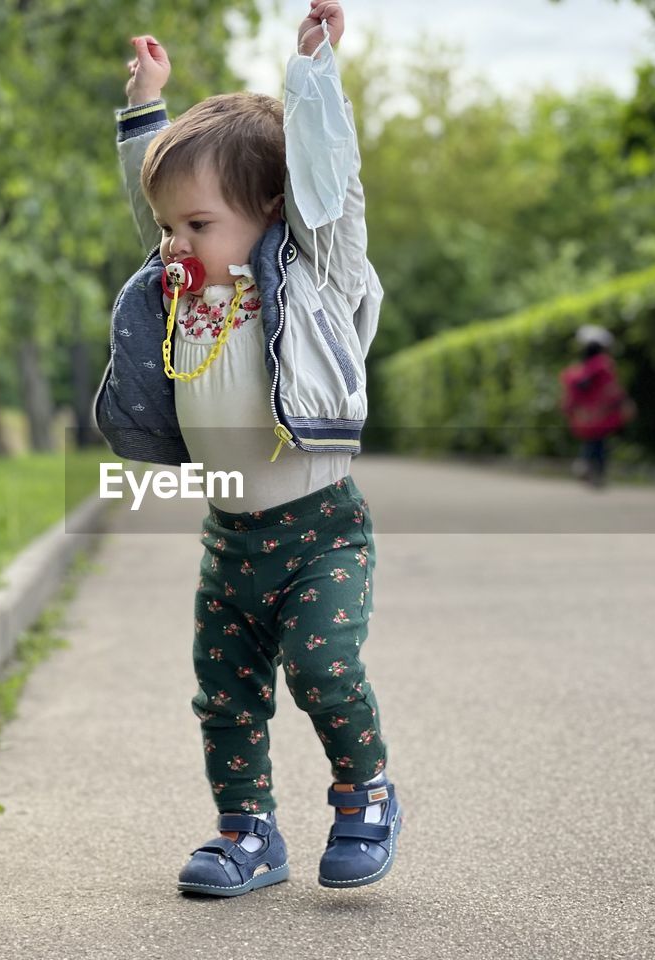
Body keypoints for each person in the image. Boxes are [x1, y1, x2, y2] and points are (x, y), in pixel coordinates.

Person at [94, 0, 401, 897]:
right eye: (168, 230)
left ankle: (365, 793)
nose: (174, 246)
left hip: (321, 531)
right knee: (225, 698)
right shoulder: (180, 293)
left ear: (269, 211)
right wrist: (147, 109)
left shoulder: (308, 277)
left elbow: (332, 190)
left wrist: (314, 79)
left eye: (198, 227)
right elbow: (151, 193)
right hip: (231, 541)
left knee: (321, 667)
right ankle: (247, 834)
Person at [560, 324, 635, 489]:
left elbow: (570, 397)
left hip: (584, 415)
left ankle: (585, 465)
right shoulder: (604, 365)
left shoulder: (576, 371)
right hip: (601, 413)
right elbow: (611, 389)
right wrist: (624, 402)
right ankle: (597, 473)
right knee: (599, 443)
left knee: (590, 442)